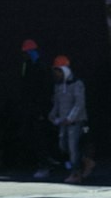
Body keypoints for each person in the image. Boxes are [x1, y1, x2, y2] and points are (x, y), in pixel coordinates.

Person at [49, 56, 93, 183]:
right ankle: (86, 161)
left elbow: (79, 103)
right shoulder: (58, 86)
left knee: (73, 147)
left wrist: (71, 117)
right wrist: (53, 115)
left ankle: (76, 173)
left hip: (75, 122)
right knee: (63, 146)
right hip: (63, 122)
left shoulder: (77, 84)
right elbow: (57, 103)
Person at [16, 38, 53, 175]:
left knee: (41, 134)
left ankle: (46, 163)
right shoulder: (27, 65)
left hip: (40, 107)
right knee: (33, 134)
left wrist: (42, 108)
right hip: (31, 107)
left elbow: (44, 88)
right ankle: (44, 160)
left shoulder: (41, 66)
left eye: (27, 52)